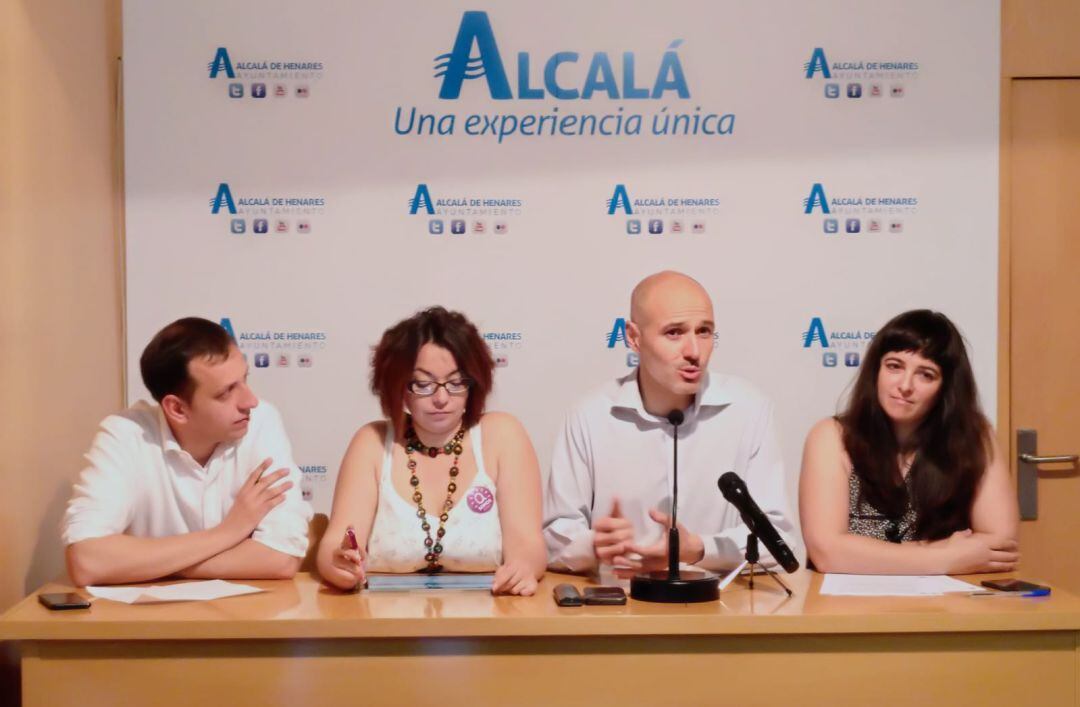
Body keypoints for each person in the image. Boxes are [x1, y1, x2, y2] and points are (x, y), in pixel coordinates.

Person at [543, 271, 795, 575]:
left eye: (703, 331)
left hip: (720, 612)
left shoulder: (749, 409)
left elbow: (782, 545)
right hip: (619, 608)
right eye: (674, 333)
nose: (693, 352)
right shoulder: (591, 415)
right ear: (633, 338)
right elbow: (551, 542)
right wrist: (595, 546)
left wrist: (699, 549)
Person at [63, 317, 312, 586]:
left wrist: (151, 565)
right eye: (226, 392)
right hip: (152, 625)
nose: (250, 401)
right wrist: (228, 532)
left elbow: (281, 557)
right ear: (177, 409)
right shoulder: (125, 435)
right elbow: (87, 561)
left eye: (244, 379)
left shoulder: (261, 421)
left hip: (246, 622)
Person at [317, 307, 546, 595]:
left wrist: (523, 567)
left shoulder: (502, 435)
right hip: (384, 627)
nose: (441, 398)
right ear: (398, 387)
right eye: (423, 385)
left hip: (489, 623)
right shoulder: (371, 442)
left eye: (455, 383)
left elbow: (529, 545)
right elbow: (333, 547)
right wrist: (340, 565)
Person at [799, 309, 1019, 574]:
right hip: (849, 608)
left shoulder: (974, 437)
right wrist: (945, 557)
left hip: (945, 609)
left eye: (925, 374)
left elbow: (1000, 546)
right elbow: (827, 553)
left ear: (945, 388)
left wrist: (866, 555)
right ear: (875, 370)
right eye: (894, 366)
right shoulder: (832, 436)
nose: (905, 385)